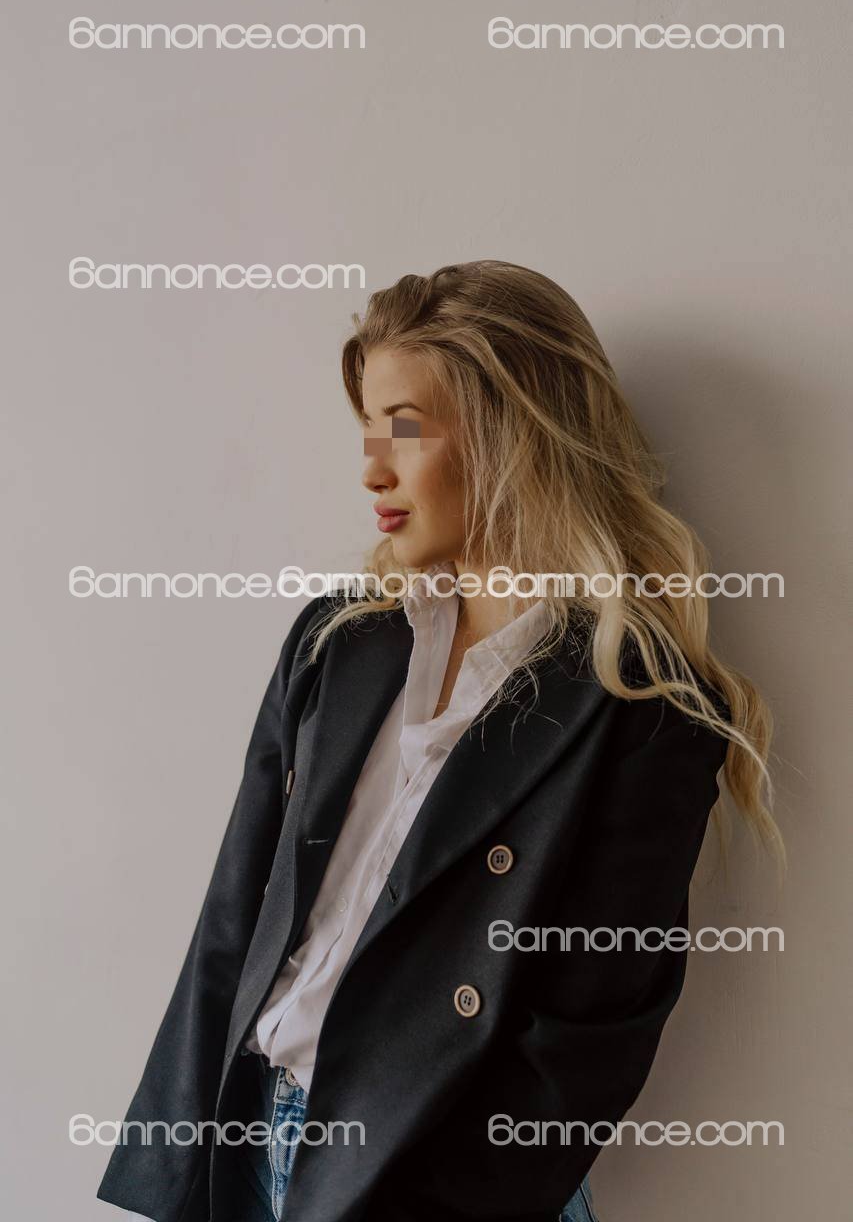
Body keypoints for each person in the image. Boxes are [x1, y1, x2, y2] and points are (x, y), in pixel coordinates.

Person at [98, 261, 783, 1222]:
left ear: (513, 431)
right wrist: (174, 1173)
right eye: (367, 433)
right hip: (251, 1144)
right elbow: (233, 922)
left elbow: (584, 1041)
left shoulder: (638, 702)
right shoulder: (336, 643)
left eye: (405, 428)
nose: (372, 470)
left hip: (433, 1180)